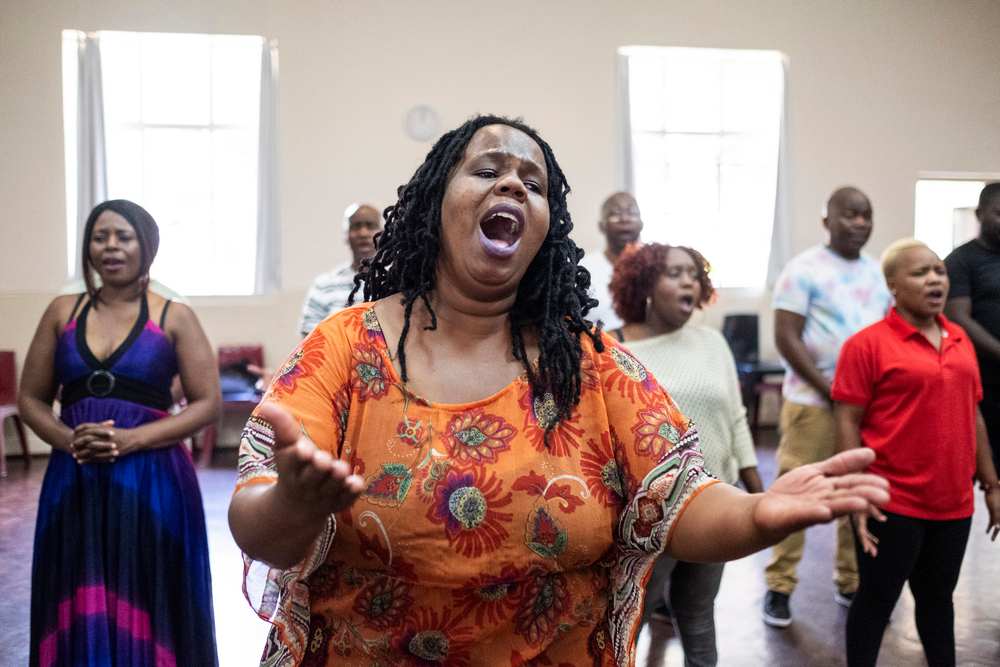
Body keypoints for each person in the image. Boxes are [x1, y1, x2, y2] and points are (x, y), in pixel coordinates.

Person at [228, 115, 888, 667]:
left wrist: (757, 514)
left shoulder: (594, 365)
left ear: (547, 227)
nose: (512, 180)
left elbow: (680, 499)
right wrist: (294, 501)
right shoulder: (345, 347)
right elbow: (259, 525)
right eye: (486, 170)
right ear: (436, 200)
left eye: (533, 181)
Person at [19, 200, 221, 666]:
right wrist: (69, 440)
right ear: (88, 247)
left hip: (154, 480)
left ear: (146, 245)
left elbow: (207, 403)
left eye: (123, 236)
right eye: (99, 236)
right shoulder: (61, 313)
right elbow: (31, 399)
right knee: (77, 580)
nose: (110, 246)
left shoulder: (174, 316)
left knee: (148, 585)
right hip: (76, 477)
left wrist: (132, 440)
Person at [832, 238, 1000, 667]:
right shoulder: (866, 345)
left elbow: (973, 413)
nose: (934, 280)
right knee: (875, 601)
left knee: (938, 602)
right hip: (892, 501)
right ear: (893, 285)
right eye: (920, 273)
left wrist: (991, 484)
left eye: (938, 271)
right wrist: (856, 493)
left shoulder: (961, 338)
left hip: (953, 503)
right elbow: (847, 419)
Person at [607, 242, 763, 667]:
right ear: (645, 285)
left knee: (697, 613)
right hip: (649, 514)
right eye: (675, 273)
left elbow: (735, 419)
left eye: (694, 274)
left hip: (717, 501)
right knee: (630, 619)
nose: (688, 281)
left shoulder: (712, 342)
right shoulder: (612, 349)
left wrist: (755, 495)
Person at [762, 186, 892, 627]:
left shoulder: (879, 273)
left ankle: (850, 579)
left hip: (865, 407)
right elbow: (786, 337)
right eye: (850, 214)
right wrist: (831, 388)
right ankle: (779, 586)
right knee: (795, 489)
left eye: (866, 214)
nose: (859, 222)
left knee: (856, 489)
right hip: (813, 404)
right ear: (827, 220)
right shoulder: (803, 270)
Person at [945, 182, 1000, 470]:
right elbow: (958, 317)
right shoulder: (961, 261)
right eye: (999, 213)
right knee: (971, 465)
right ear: (980, 214)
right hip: (981, 385)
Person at [298, 202, 383, 337]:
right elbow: (309, 338)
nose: (363, 233)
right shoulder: (323, 285)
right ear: (346, 235)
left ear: (383, 233)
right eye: (356, 226)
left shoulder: (397, 281)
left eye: (370, 225)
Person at [580, 192, 642, 330]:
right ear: (601, 226)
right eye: (615, 214)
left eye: (632, 213)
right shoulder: (582, 270)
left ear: (641, 224)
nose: (625, 219)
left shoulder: (655, 269)